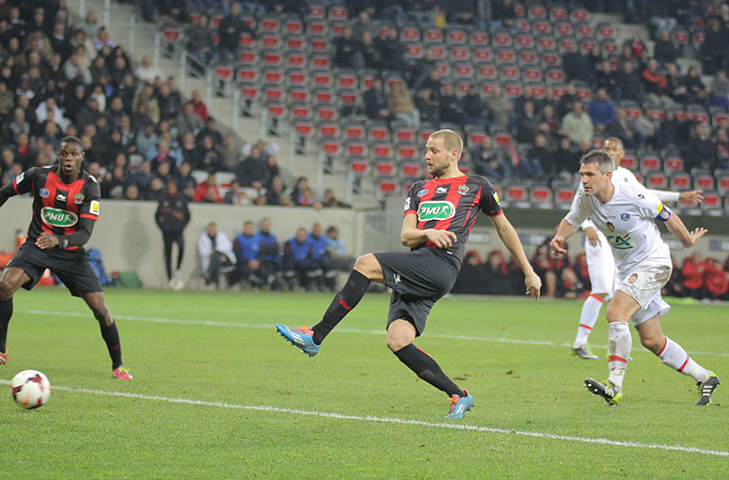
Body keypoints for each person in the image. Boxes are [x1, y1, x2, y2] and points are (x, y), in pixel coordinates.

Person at [276, 130, 542, 419]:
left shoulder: (477, 186)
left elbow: (504, 228)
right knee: (398, 339)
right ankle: (459, 394)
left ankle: (315, 335)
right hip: (418, 264)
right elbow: (406, 236)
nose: (427, 156)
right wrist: (428, 233)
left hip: (442, 264)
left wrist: (529, 271)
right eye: (426, 150)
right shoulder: (418, 189)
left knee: (364, 263)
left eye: (434, 150)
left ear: (454, 154)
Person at [0, 136, 132, 380]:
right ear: (58, 155)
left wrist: (59, 240)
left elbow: (85, 234)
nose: (68, 158)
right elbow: (5, 192)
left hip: (71, 253)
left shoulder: (90, 186)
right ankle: (0, 351)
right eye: (64, 153)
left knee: (100, 309)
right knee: (5, 284)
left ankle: (118, 365)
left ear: (82, 157)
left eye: (74, 154)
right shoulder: (38, 175)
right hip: (37, 246)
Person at [550, 150, 718, 407]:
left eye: (590, 174)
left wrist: (687, 241)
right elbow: (571, 221)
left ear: (607, 175)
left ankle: (614, 385)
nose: (584, 180)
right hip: (628, 270)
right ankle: (705, 377)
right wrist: (560, 237)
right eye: (582, 174)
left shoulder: (634, 195)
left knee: (615, 312)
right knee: (651, 339)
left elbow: (668, 216)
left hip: (653, 263)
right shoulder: (586, 198)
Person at [571, 138, 704, 359]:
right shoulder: (592, 174)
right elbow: (578, 205)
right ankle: (580, 341)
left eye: (614, 149)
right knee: (602, 288)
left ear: (622, 154)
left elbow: (647, 195)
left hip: (623, 243)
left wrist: (679, 196)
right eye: (606, 148)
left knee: (619, 292)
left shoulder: (625, 176)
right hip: (600, 236)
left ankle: (616, 347)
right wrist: (587, 227)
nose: (609, 151)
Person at [155, 179, 191, 290]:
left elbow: (188, 216)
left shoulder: (181, 200)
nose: (171, 190)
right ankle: (170, 278)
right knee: (168, 255)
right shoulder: (163, 200)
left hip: (178, 232)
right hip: (167, 233)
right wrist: (163, 228)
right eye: (169, 188)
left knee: (181, 248)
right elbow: (157, 216)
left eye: (173, 187)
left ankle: (178, 269)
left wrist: (181, 227)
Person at [198, 222, 235, 288]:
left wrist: (217, 251)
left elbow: (228, 247)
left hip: (225, 260)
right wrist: (211, 253)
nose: (212, 231)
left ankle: (208, 273)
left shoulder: (222, 236)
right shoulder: (203, 238)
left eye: (213, 229)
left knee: (216, 254)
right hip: (212, 259)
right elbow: (203, 252)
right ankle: (217, 284)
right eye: (210, 229)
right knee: (217, 259)